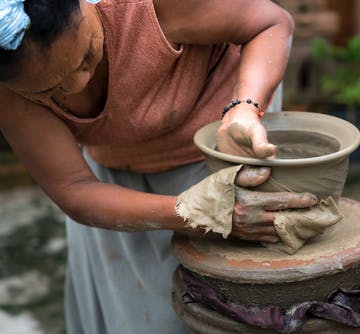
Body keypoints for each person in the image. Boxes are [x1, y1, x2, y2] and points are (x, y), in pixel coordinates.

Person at [0, 0, 319, 333]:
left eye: (86, 55)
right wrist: (195, 213)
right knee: (144, 317)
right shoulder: (7, 81)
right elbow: (74, 187)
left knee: (243, 305)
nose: (78, 85)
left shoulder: (146, 6)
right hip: (118, 184)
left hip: (227, 144)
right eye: (51, 89)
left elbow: (271, 23)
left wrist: (245, 107)